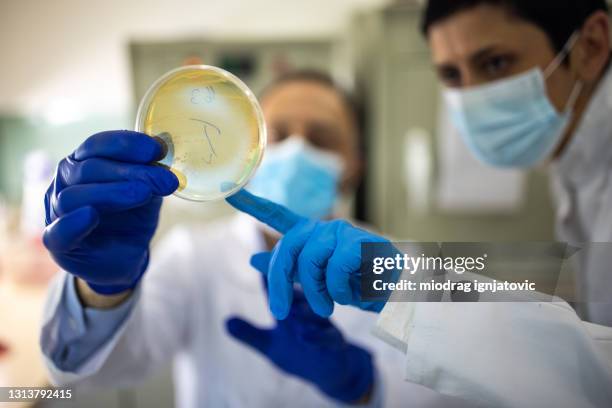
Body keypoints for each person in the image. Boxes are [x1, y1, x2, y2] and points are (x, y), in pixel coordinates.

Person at [219, 1, 612, 407]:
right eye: (449, 74)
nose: (473, 96)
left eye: (495, 63)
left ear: (592, 45)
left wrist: (404, 301)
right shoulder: (578, 171)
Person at [40, 71, 470, 407]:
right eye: (279, 134)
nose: (297, 150)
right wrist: (101, 293)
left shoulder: (401, 264)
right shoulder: (193, 255)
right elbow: (99, 374)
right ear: (254, 149)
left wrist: (367, 388)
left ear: (354, 164)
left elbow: (465, 393)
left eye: (320, 138)